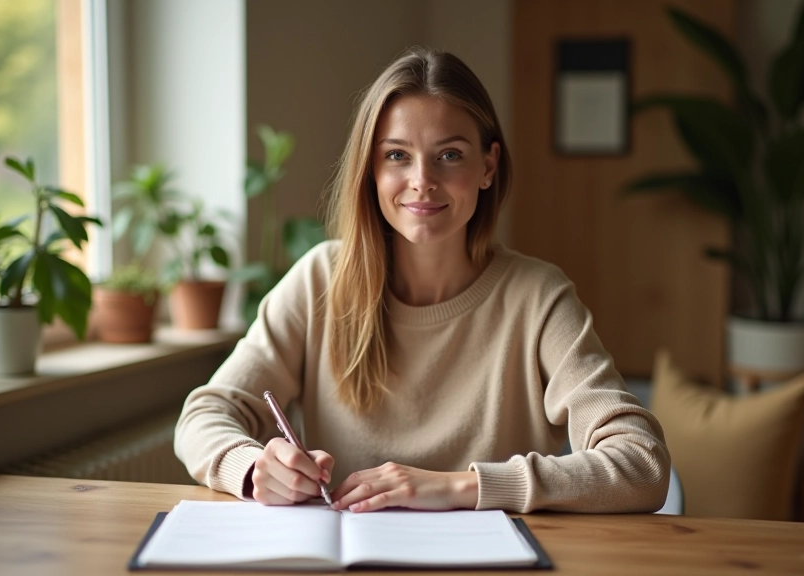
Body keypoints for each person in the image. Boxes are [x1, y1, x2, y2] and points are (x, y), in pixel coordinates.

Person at [175, 47, 669, 514]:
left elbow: (642, 464)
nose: (422, 180)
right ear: (371, 168)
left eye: (449, 155)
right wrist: (253, 467)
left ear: (488, 166)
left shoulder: (538, 298)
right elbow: (204, 416)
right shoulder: (320, 280)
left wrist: (455, 487)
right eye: (397, 155)